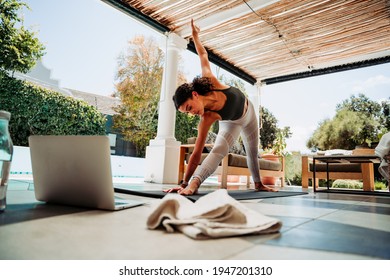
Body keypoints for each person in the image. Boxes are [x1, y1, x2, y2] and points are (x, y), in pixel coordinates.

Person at [166, 19, 277, 195]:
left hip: (250, 114)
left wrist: (195, 36)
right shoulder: (206, 119)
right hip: (231, 123)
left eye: (188, 108)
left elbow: (203, 55)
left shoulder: (210, 81)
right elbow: (195, 154)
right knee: (218, 150)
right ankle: (195, 185)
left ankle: (258, 184)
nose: (191, 113)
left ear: (194, 95)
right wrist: (185, 183)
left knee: (252, 150)